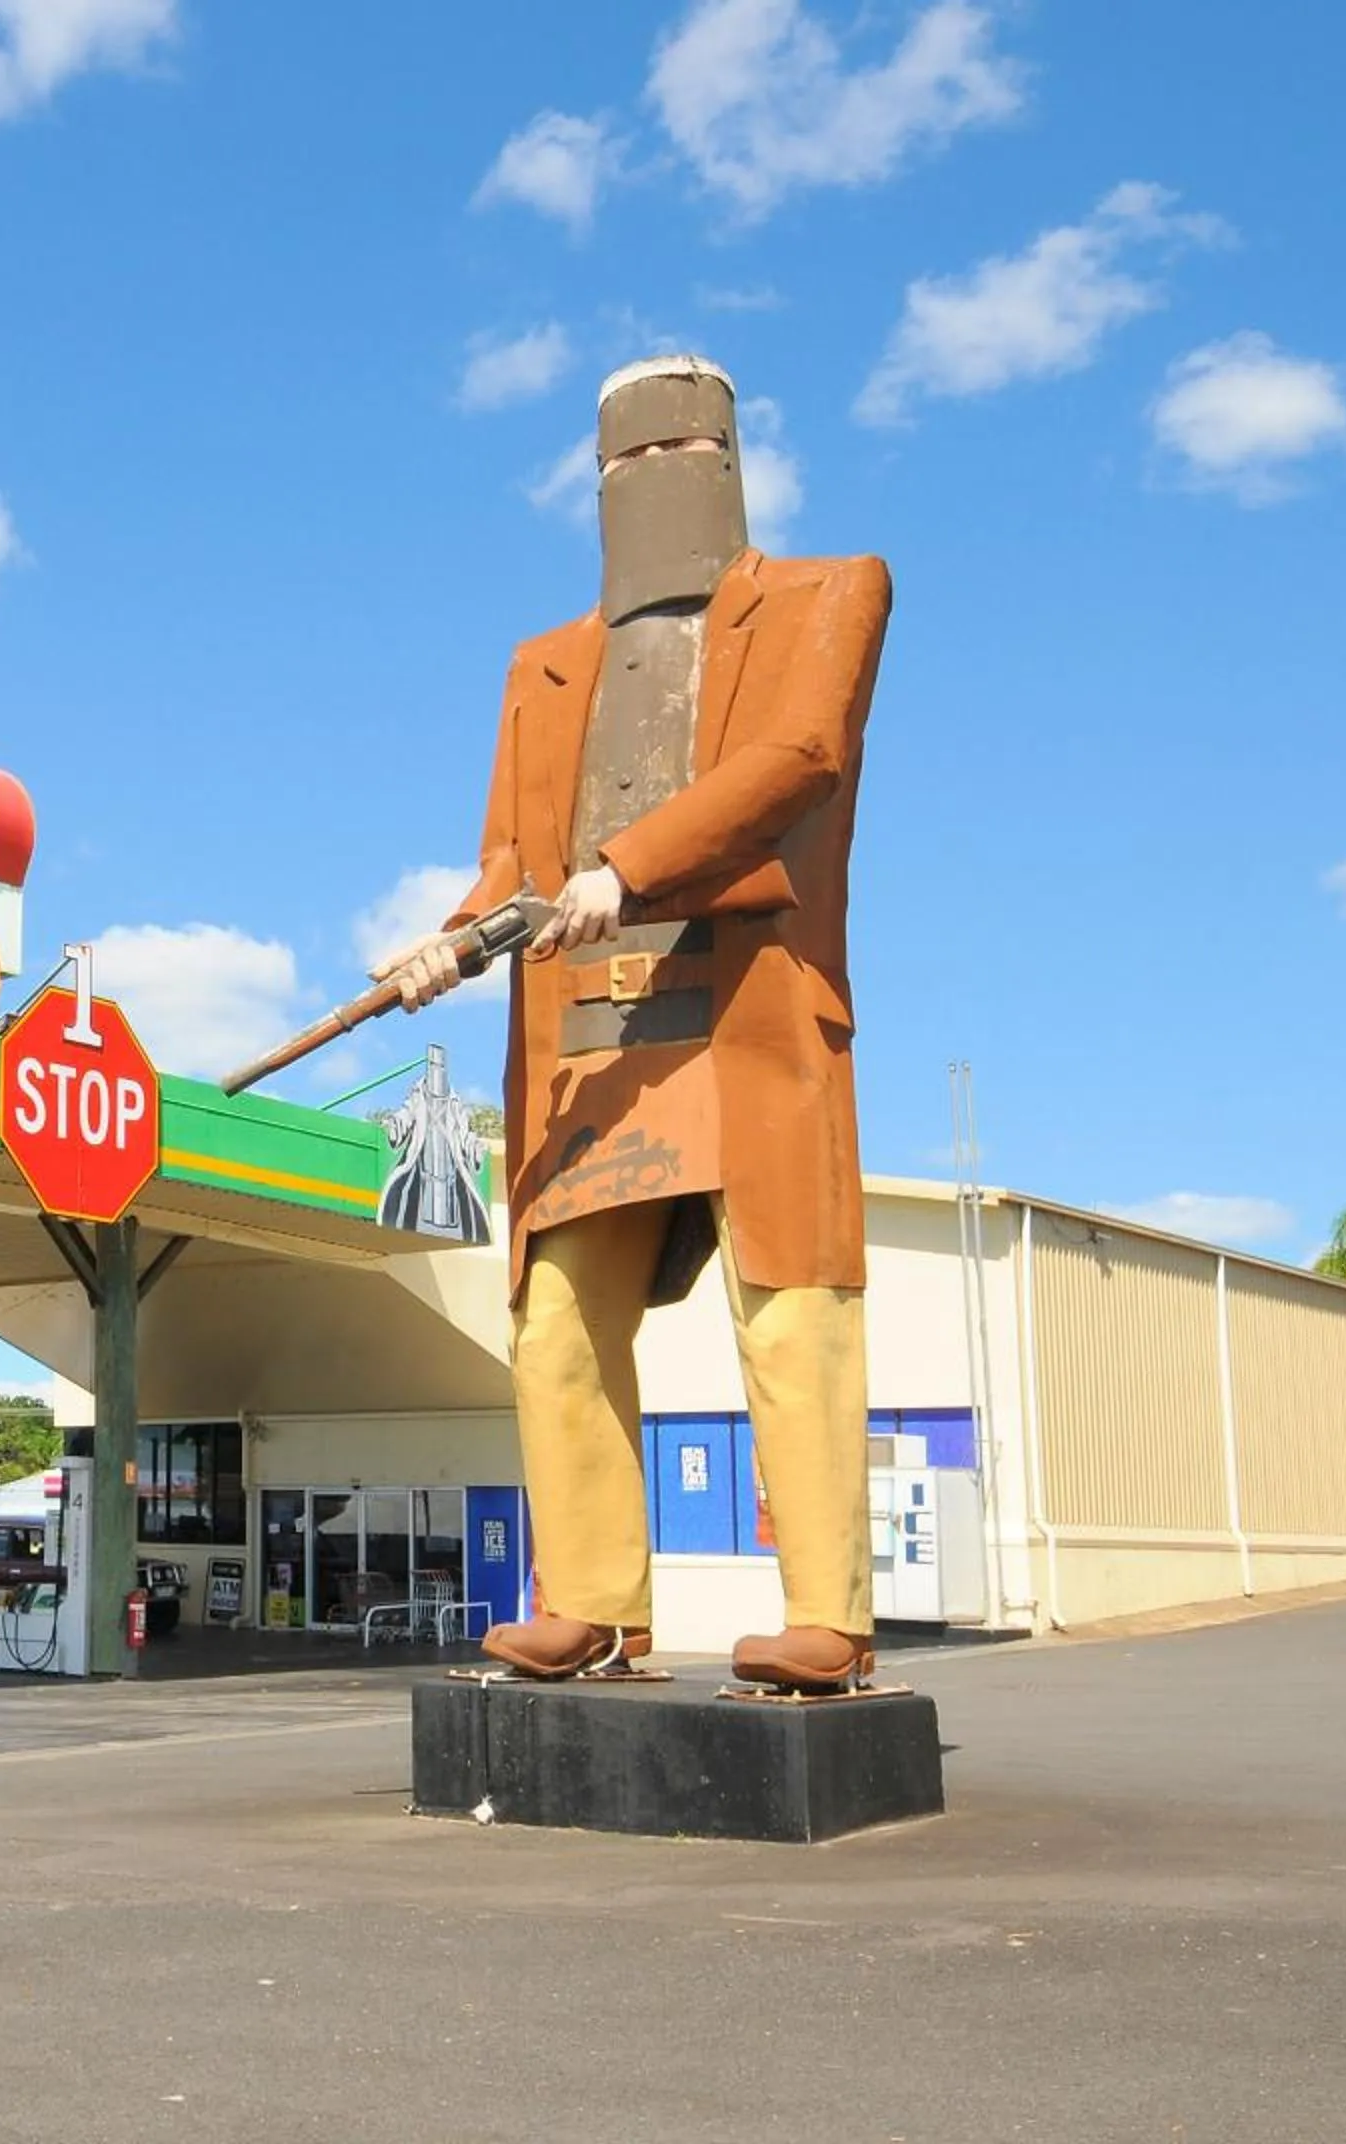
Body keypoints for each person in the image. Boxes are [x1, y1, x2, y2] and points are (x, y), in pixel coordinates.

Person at [376, 355, 890, 1694]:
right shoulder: (543, 666)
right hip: (589, 1052)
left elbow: (797, 760)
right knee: (555, 1318)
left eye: (675, 451)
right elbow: (513, 862)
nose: (650, 481)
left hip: (747, 1019)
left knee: (790, 1312)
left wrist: (626, 869)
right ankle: (596, 1603)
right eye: (622, 461)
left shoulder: (829, 592)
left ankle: (829, 1614)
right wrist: (452, 939)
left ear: (726, 456)